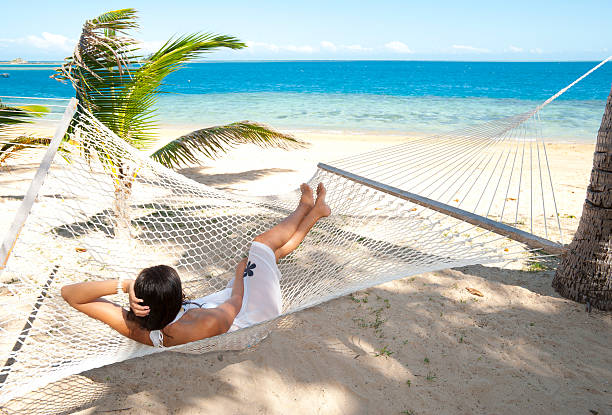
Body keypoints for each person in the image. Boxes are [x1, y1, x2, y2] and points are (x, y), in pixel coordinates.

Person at [61, 183, 331, 347]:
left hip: (223, 306)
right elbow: (237, 300)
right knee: (260, 247)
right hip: (252, 316)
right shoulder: (197, 324)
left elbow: (71, 295)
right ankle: (304, 207)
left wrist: (125, 285)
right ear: (175, 298)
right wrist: (239, 275)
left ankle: (316, 212)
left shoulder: (137, 325)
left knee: (262, 261)